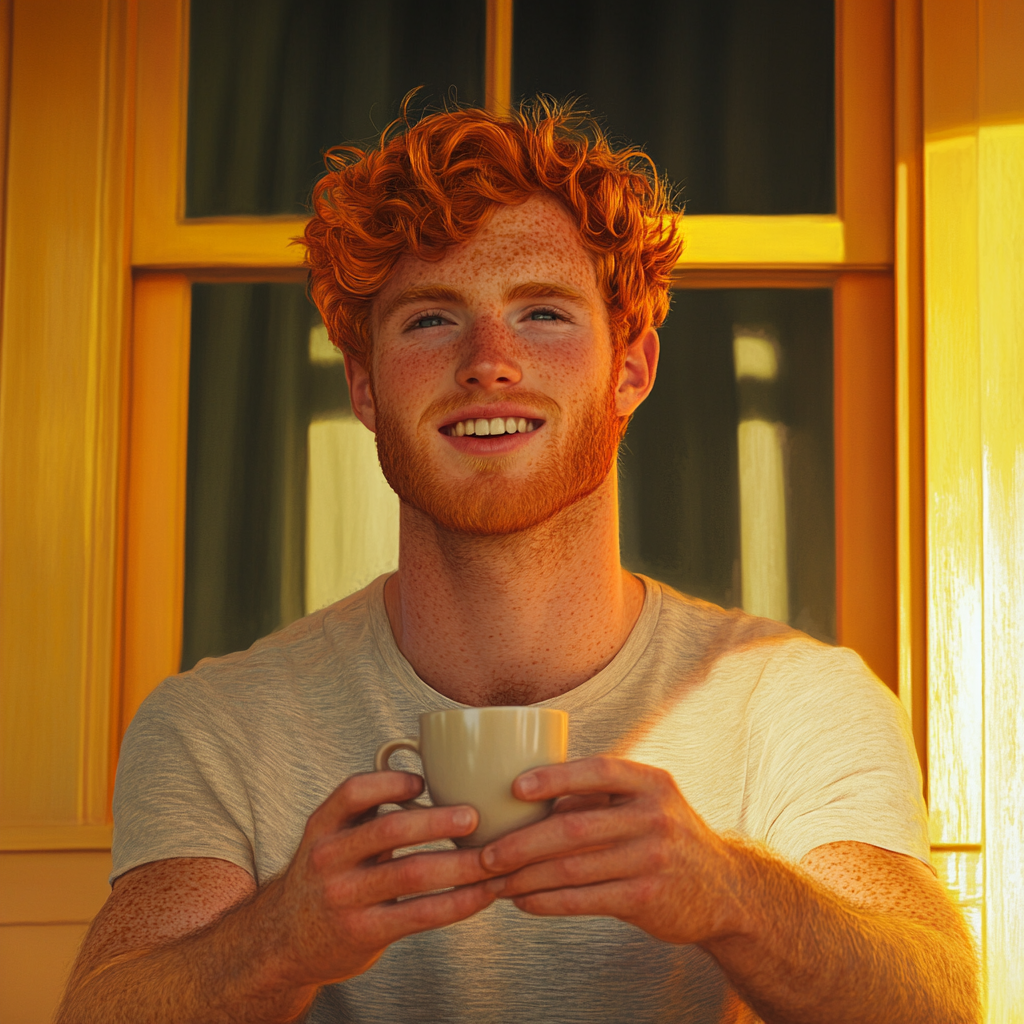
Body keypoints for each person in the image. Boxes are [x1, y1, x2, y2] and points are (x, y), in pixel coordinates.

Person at [58, 102, 978, 1024]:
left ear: (631, 368)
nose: (488, 362)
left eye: (541, 312)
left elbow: (938, 1005)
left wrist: (731, 893)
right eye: (428, 320)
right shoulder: (215, 725)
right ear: (365, 385)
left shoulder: (797, 703)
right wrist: (285, 936)